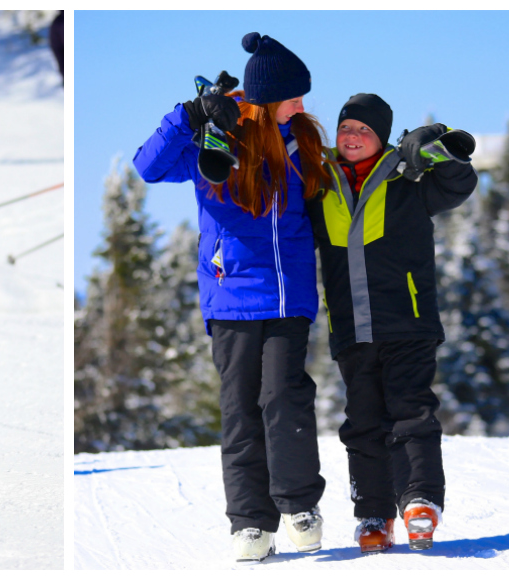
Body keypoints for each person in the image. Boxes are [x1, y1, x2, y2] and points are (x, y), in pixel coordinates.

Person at [133, 32, 331, 561]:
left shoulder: (303, 142)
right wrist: (190, 114)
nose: (303, 105)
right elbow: (148, 166)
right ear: (267, 98)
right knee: (241, 408)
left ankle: (298, 504)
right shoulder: (217, 139)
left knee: (284, 396)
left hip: (288, 295)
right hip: (231, 294)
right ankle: (250, 523)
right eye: (294, 96)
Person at [304, 93, 477, 553]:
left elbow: (460, 183)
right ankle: (373, 516)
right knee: (362, 424)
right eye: (345, 128)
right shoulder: (321, 184)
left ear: (381, 138)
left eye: (364, 130)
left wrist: (434, 145)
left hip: (408, 322)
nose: (352, 137)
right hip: (351, 328)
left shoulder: (409, 179)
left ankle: (419, 500)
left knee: (410, 412)